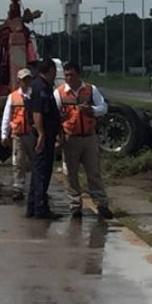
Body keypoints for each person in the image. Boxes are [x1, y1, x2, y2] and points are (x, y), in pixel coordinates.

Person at [56, 63, 113, 220]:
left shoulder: (90, 90)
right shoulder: (60, 93)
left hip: (89, 137)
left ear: (79, 75)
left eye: (71, 75)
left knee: (94, 172)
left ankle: (101, 204)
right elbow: (55, 114)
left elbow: (104, 107)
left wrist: (92, 110)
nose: (68, 78)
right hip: (70, 138)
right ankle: (75, 206)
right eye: (66, 75)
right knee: (71, 174)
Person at [25, 59, 63, 220]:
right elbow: (37, 113)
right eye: (54, 71)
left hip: (44, 133)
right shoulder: (40, 87)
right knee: (42, 172)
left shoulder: (36, 85)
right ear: (49, 70)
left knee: (37, 172)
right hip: (43, 135)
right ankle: (40, 208)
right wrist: (41, 134)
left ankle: (33, 206)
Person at [1, 68, 35, 200]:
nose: (26, 82)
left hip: (33, 135)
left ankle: (34, 187)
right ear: (19, 81)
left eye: (28, 79)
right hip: (18, 134)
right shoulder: (13, 96)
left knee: (35, 162)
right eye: (23, 80)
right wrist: (4, 134)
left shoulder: (35, 95)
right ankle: (18, 188)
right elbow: (7, 116)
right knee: (18, 163)